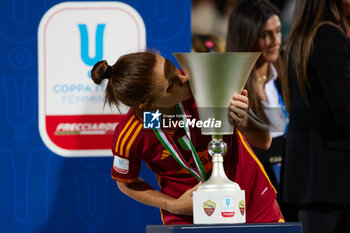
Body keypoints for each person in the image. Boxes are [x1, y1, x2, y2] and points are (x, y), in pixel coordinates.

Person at [91, 51, 283, 224]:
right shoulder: (132, 134)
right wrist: (172, 205)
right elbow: (126, 182)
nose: (183, 77)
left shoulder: (204, 83)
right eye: (171, 84)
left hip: (253, 205)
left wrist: (244, 119)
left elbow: (264, 142)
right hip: (189, 219)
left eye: (172, 67)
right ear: (148, 105)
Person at [282, 0, 350, 232]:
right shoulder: (328, 35)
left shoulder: (304, 38)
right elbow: (346, 110)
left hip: (313, 181)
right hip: (330, 182)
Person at [226, 0, 288, 193]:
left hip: (291, 183)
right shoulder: (232, 87)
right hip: (255, 187)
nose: (276, 40)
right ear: (247, 38)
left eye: (277, 31)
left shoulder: (287, 75)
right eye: (266, 35)